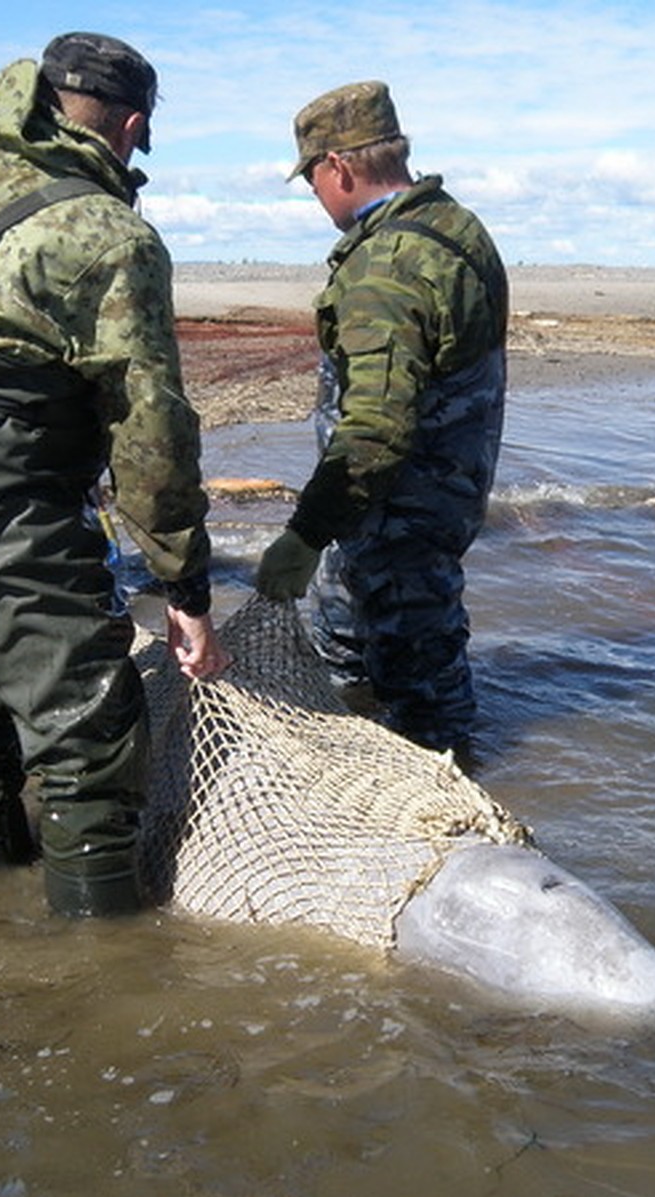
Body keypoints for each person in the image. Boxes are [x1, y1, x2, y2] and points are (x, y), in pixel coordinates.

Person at [0, 32, 229, 918]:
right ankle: (100, 977)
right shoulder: (102, 229)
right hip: (11, 506)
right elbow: (150, 429)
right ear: (131, 127)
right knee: (91, 736)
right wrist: (186, 583)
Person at [256, 81, 508, 765]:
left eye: (312, 180)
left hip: (399, 516)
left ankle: (449, 826)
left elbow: (375, 428)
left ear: (338, 166)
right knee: (350, 645)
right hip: (431, 504)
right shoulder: (455, 227)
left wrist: (303, 537)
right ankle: (361, 762)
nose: (315, 197)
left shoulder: (386, 268)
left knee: (423, 694)